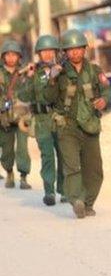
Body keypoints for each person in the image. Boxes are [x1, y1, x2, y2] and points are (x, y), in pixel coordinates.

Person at [44, 29, 111, 219]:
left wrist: (104, 101)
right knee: (72, 166)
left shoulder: (94, 70)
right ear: (64, 52)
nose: (75, 53)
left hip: (90, 125)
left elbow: (107, 90)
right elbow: (47, 98)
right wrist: (51, 79)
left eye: (78, 49)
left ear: (84, 49)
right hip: (67, 126)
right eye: (70, 50)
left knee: (95, 170)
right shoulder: (58, 73)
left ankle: (88, 203)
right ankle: (76, 201)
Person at [17, 35, 65, 205]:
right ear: (38, 53)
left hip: (59, 117)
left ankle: (64, 190)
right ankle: (49, 191)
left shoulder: (61, 70)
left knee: (63, 153)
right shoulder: (35, 73)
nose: (47, 54)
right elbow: (22, 95)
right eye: (43, 51)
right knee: (47, 155)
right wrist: (28, 77)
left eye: (50, 50)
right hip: (42, 119)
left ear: (55, 52)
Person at [0, 39, 31, 189]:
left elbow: (34, 89)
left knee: (23, 148)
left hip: (22, 116)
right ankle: (9, 172)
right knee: (6, 149)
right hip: (4, 117)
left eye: (14, 55)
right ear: (3, 56)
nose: (11, 58)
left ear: (19, 56)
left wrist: (31, 76)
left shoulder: (25, 72)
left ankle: (23, 177)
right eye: (8, 55)